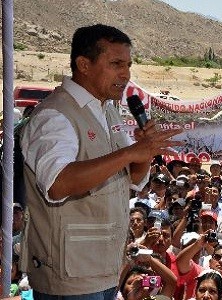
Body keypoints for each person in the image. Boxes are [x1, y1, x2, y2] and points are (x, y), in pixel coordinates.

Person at [20, 24, 182, 298]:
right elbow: (57, 184)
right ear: (84, 64)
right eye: (116, 63)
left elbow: (130, 178)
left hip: (105, 268)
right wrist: (128, 153)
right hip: (69, 275)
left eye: (128, 65)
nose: (126, 74)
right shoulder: (55, 116)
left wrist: (144, 152)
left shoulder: (107, 111)